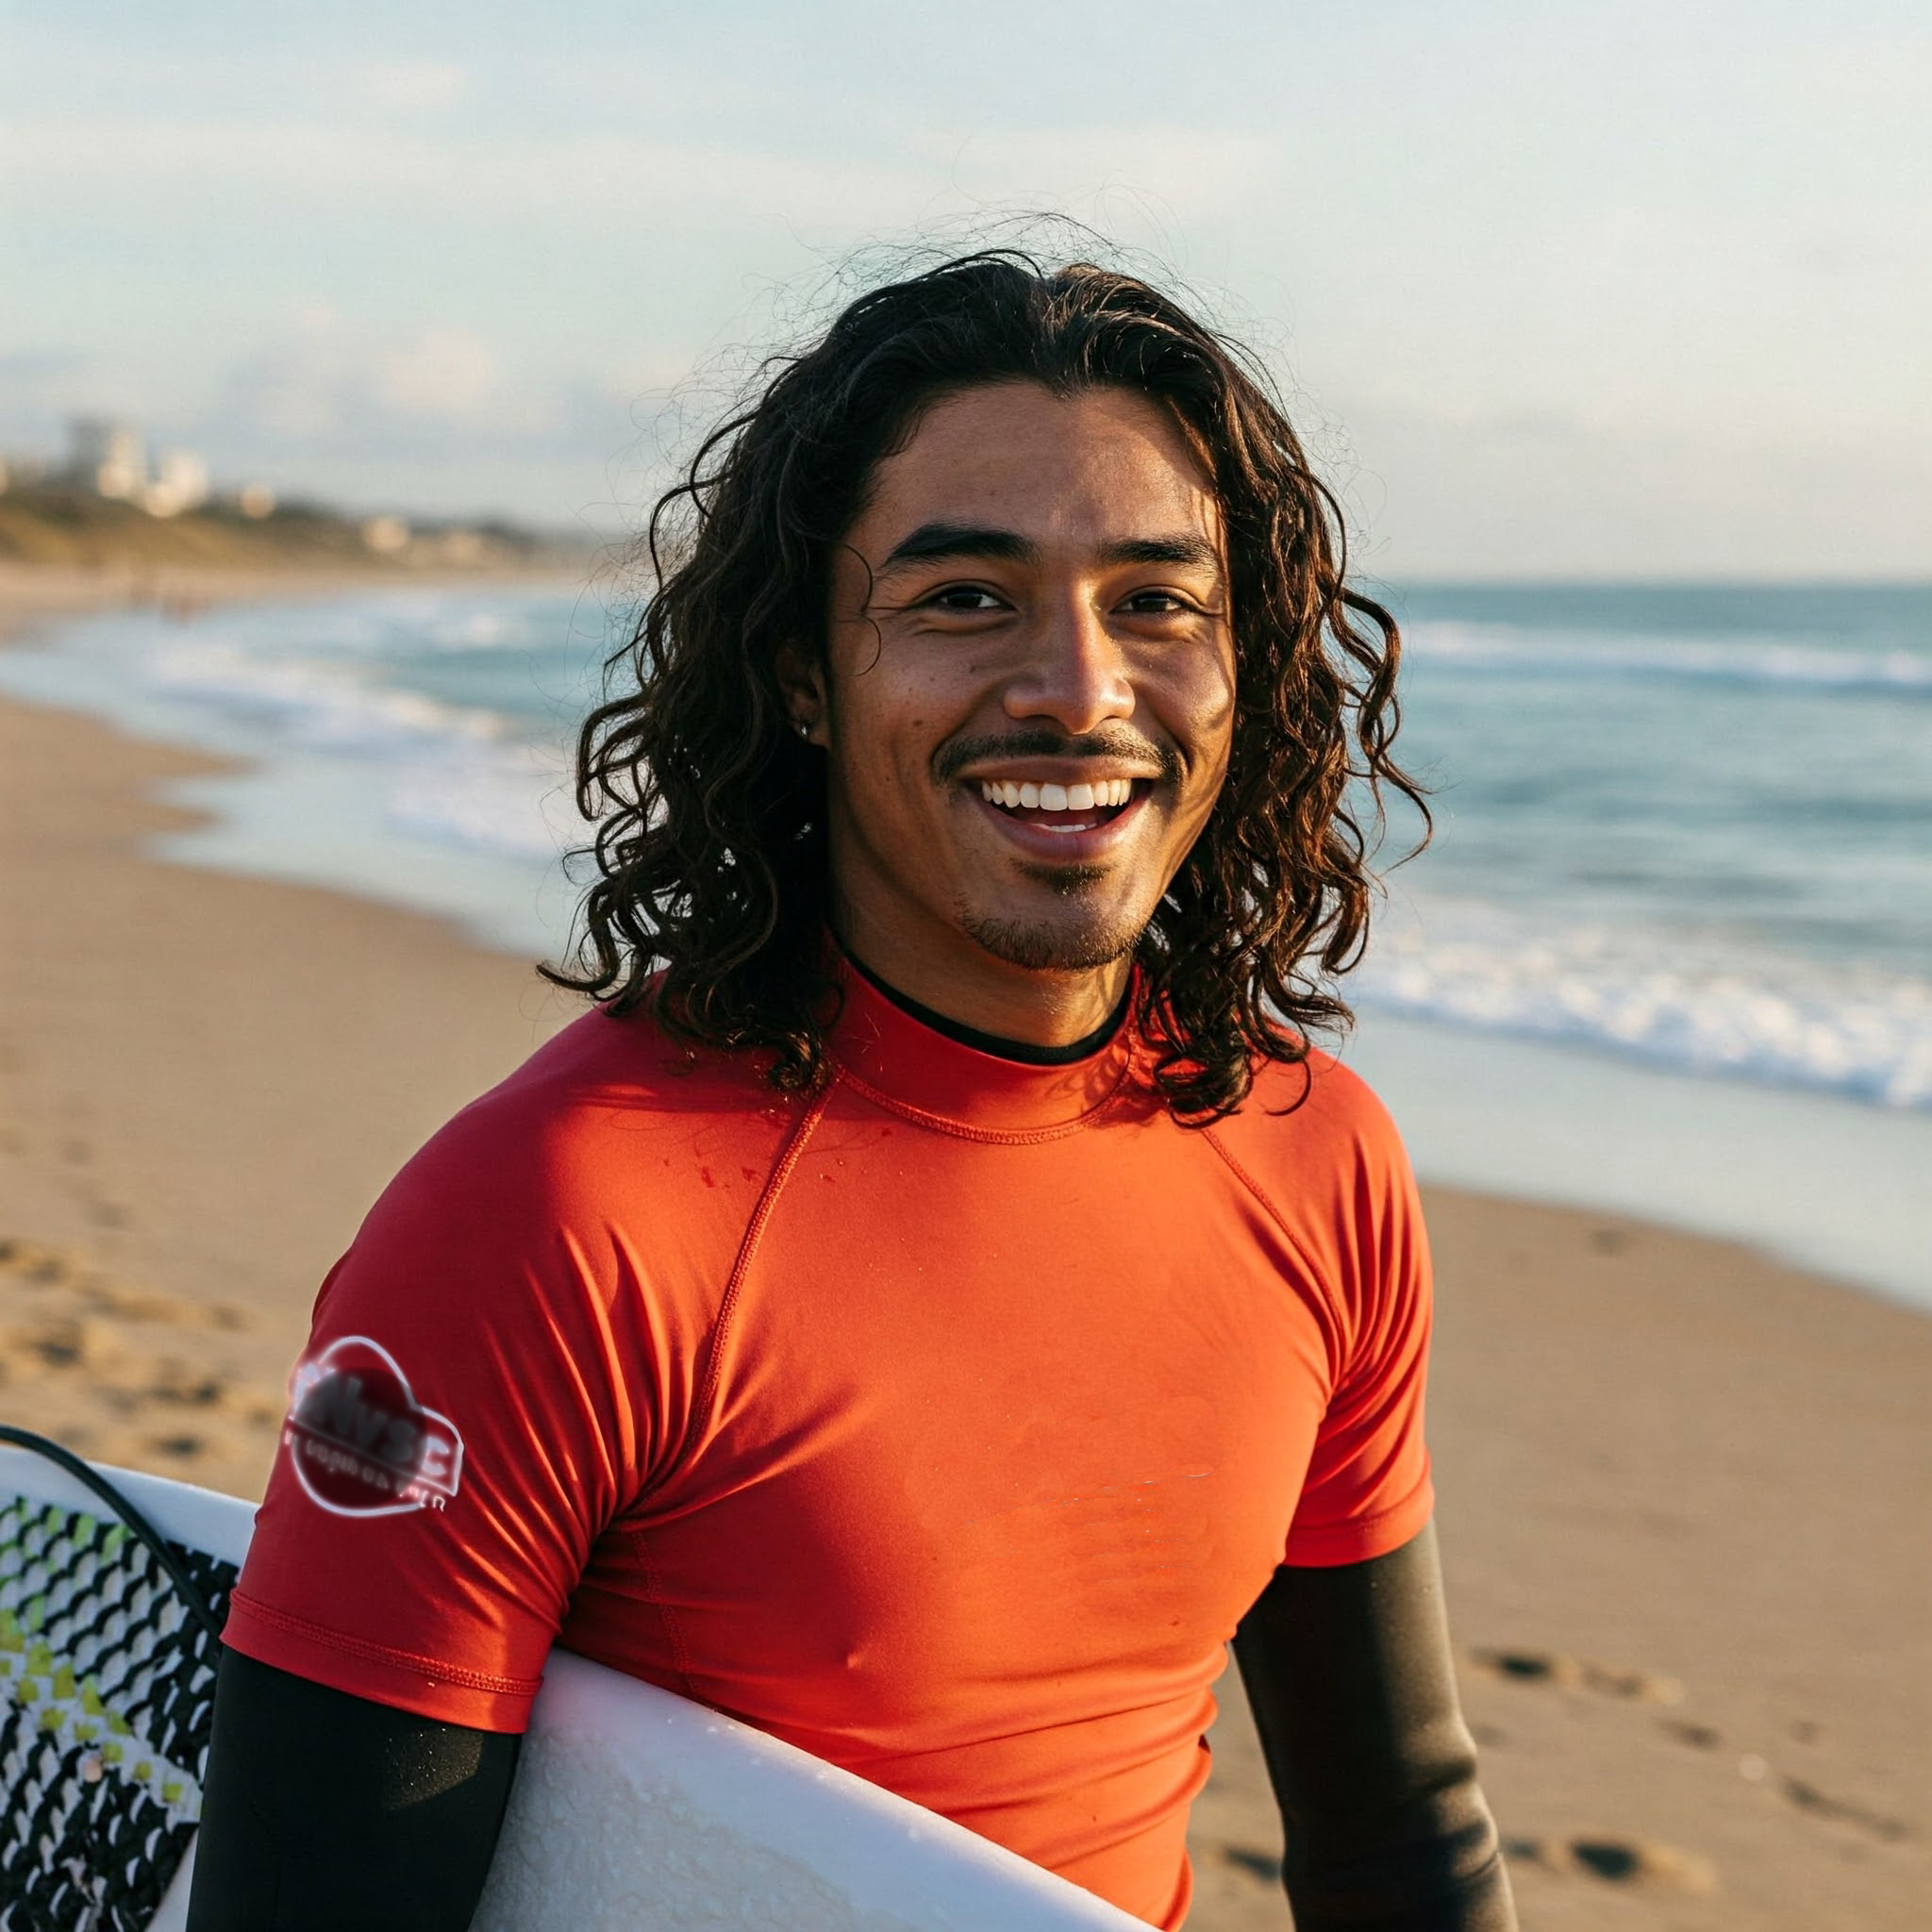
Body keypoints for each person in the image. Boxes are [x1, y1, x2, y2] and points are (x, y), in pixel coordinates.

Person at [190, 252, 1515, 1931]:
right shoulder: (562, 1219)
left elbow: (1404, 1829)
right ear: (804, 674)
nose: (1080, 689)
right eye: (966, 597)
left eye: (1157, 601)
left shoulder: (1311, 1155)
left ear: (1241, 667)